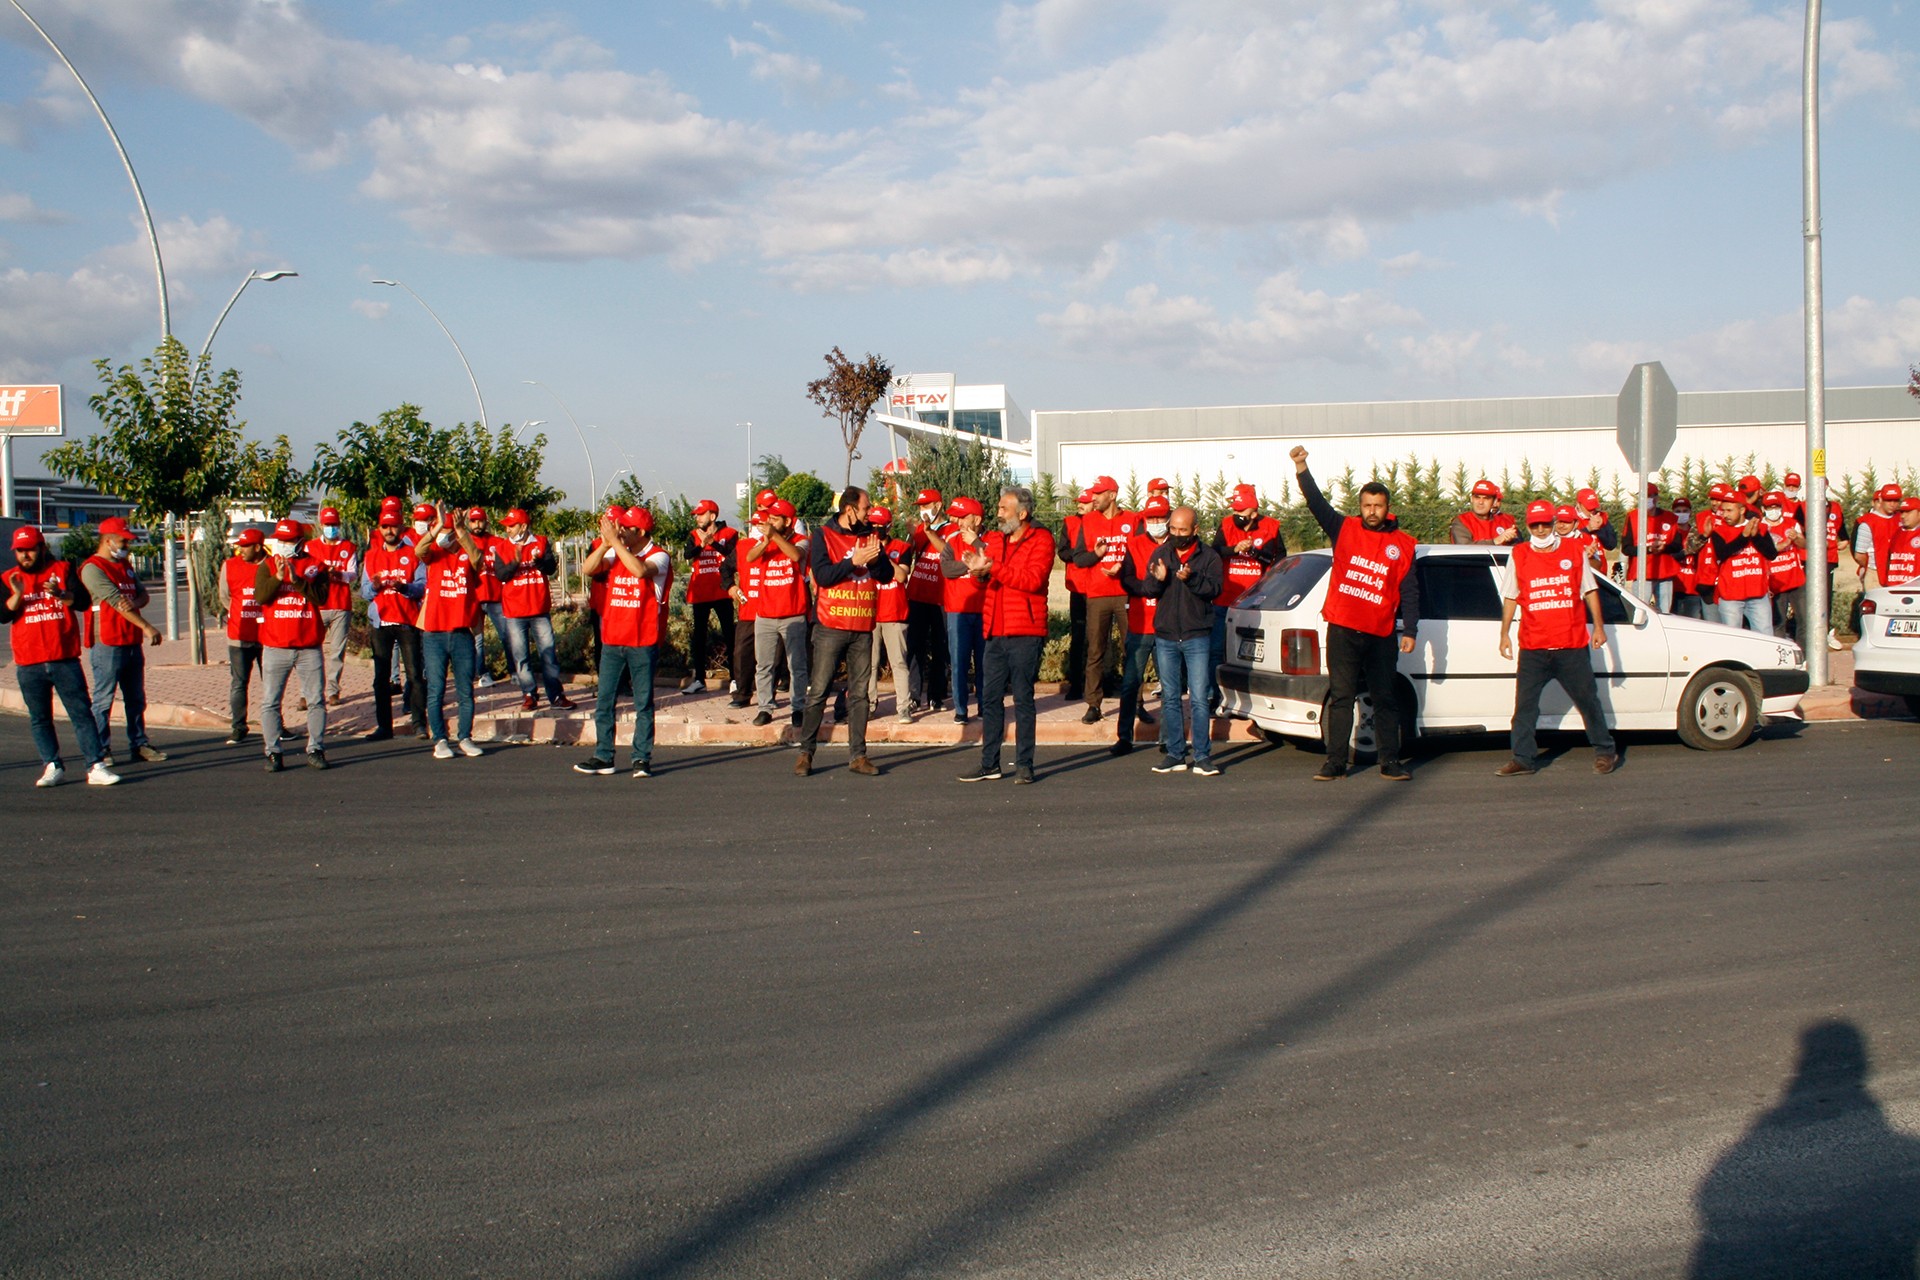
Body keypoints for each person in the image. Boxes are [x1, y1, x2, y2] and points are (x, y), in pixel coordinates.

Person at [1290, 445, 1420, 782]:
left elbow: (1409, 590)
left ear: (1387, 507)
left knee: (1385, 698)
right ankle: (1335, 762)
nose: (1372, 511)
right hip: (1344, 630)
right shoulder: (1344, 529)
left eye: (1378, 506)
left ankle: (1389, 761)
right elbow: (1317, 503)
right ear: (1360, 507)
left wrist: (1411, 630)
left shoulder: (1404, 545)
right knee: (1341, 697)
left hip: (1381, 633)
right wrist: (1302, 467)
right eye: (1367, 505)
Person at [1494, 500, 1616, 777]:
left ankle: (1605, 750)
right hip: (1534, 646)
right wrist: (1504, 634)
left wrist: (1598, 627)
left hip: (1570, 644)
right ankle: (1523, 758)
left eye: (1545, 524)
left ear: (1553, 524)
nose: (1539, 529)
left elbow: (1590, 590)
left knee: (1588, 702)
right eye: (1534, 525)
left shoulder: (1574, 550)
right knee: (1524, 707)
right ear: (1528, 526)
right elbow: (1511, 595)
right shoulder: (1520, 553)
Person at [2, 526, 118, 787]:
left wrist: (61, 594)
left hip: (63, 658)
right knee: (40, 718)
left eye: (30, 549)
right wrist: (18, 594)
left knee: (81, 714)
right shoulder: (9, 578)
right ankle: (52, 764)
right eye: (20, 551)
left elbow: (84, 602)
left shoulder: (63, 570)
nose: (25, 555)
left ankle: (95, 765)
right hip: (28, 662)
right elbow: (3, 615)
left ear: (42, 548)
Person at [957, 485, 1056, 785]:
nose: (997, 513)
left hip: (1025, 631)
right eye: (998, 508)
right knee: (989, 700)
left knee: (1023, 700)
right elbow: (986, 583)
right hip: (994, 630)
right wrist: (978, 572)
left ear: (1022, 513)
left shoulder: (1042, 540)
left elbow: (1032, 580)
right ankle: (990, 764)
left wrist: (992, 567)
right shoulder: (995, 541)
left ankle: (1025, 764)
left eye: (1003, 508)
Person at [575, 505, 671, 778]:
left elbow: (640, 571)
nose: (620, 531)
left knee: (643, 703)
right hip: (613, 641)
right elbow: (588, 569)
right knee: (604, 701)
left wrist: (615, 543)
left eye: (626, 528)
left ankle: (641, 758)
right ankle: (603, 756)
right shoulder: (615, 551)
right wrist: (606, 543)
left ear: (641, 532)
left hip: (642, 641)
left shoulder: (659, 556)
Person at [794, 487, 884, 778]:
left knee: (860, 696)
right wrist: (853, 562)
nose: (869, 513)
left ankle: (858, 756)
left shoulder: (871, 535)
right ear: (849, 510)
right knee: (818, 691)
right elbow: (823, 576)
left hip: (862, 627)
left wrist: (874, 561)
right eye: (865, 508)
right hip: (830, 625)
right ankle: (805, 754)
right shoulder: (822, 535)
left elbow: (884, 574)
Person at [1141, 505, 1227, 776]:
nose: (1177, 535)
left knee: (1200, 698)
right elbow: (1148, 588)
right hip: (1166, 635)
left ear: (1195, 530)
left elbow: (1215, 589)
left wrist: (1192, 580)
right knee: (1170, 698)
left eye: (1183, 530)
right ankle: (1176, 753)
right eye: (1173, 529)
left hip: (1196, 635)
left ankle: (1202, 756)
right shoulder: (1161, 553)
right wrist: (1161, 581)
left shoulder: (1209, 557)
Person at [80, 515, 164, 764]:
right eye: (123, 541)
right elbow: (118, 603)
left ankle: (138, 743)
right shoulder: (92, 568)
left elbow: (142, 595)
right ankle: (101, 749)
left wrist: (136, 603)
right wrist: (148, 628)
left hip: (130, 640)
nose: (126, 546)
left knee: (136, 697)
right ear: (107, 541)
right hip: (107, 642)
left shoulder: (125, 565)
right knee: (104, 698)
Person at [255, 518, 332, 771]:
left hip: (308, 646)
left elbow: (321, 597)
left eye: (289, 541)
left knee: (315, 701)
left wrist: (296, 579)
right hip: (276, 646)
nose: (283, 544)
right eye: (280, 540)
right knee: (270, 701)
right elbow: (261, 597)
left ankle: (316, 748)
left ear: (300, 542)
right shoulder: (266, 565)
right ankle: (273, 752)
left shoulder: (315, 565)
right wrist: (278, 577)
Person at [416, 504, 488, 759]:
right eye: (443, 531)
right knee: (436, 689)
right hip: (434, 633)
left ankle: (465, 737)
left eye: (450, 532)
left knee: (465, 690)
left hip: (461, 633)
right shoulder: (434, 553)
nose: (446, 536)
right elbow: (419, 549)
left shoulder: (466, 554)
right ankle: (440, 740)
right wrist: (436, 527)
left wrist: (461, 531)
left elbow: (478, 559)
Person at [1067, 475, 1134, 724]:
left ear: (1112, 495)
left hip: (1126, 592)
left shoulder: (1131, 520)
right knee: (1095, 650)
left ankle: (1135, 702)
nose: (1093, 498)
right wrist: (1096, 554)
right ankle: (1093, 704)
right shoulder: (1088, 521)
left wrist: (1122, 565)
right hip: (1097, 594)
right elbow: (1078, 558)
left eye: (1099, 493)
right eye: (1093, 494)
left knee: (1132, 650)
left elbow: (1141, 554)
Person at [494, 507, 575, 712]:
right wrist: (516, 559)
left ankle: (556, 695)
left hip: (539, 609)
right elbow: (501, 575)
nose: (508, 530)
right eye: (507, 526)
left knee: (548, 654)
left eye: (512, 526)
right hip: (514, 611)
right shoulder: (502, 547)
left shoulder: (541, 541)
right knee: (521, 657)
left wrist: (539, 561)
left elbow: (551, 568)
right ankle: (529, 694)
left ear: (523, 526)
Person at [1211, 482, 1287, 692]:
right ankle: (1213, 694)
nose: (1237, 514)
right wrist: (1234, 549)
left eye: (1241, 511)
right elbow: (1214, 552)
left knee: (1253, 655)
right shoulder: (1226, 525)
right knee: (1217, 650)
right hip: (1225, 600)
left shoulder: (1271, 527)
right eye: (1234, 510)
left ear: (1254, 512)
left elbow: (1278, 561)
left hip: (1256, 601)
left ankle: (1251, 693)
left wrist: (1254, 552)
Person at [360, 507, 428, 740]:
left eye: (393, 526)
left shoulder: (413, 553)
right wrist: (376, 587)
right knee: (381, 678)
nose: (389, 530)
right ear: (380, 529)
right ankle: (384, 726)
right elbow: (364, 592)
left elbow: (422, 586)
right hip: (381, 623)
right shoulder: (371, 556)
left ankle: (419, 723)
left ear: (401, 527)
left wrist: (405, 588)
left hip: (406, 621)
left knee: (414, 675)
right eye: (385, 526)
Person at [1112, 496, 1170, 756]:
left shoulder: (1176, 547)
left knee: (1170, 686)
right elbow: (1126, 579)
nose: (1156, 523)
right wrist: (1148, 588)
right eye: (1151, 518)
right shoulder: (1134, 545)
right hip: (1140, 624)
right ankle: (1124, 737)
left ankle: (1167, 738)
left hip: (1168, 626)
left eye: (1160, 518)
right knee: (1131, 683)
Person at [749, 498, 810, 728]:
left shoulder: (801, 541)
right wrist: (767, 540)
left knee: (797, 665)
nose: (770, 522)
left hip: (793, 615)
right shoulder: (766, 540)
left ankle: (798, 708)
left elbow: (796, 556)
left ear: (788, 521)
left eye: (775, 518)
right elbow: (750, 558)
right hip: (764, 615)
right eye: (769, 518)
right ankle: (765, 708)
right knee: (763, 665)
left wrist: (774, 536)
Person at [1691, 488, 1779, 631]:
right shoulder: (1719, 531)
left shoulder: (1760, 527)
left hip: (1757, 594)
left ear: (1742, 510)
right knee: (1733, 638)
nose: (1725, 515)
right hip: (1730, 596)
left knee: (1765, 635)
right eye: (1723, 511)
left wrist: (1755, 536)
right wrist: (1744, 537)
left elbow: (1771, 554)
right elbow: (1722, 553)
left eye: (1729, 510)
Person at [933, 496, 988, 722]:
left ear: (976, 518)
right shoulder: (952, 541)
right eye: (957, 517)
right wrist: (969, 564)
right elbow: (946, 569)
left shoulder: (989, 540)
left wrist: (977, 546)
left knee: (985, 662)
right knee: (959, 661)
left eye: (963, 517)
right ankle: (961, 709)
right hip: (958, 610)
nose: (959, 522)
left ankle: (985, 706)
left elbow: (992, 560)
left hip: (985, 609)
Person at [903, 488, 951, 713]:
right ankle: (914, 695)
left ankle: (937, 694)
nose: (923, 511)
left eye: (926, 505)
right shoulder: (918, 531)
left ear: (938, 506)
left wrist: (929, 532)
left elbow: (948, 553)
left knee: (941, 646)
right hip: (918, 594)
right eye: (920, 507)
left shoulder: (951, 529)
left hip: (941, 597)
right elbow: (908, 554)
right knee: (915, 646)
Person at [305, 506, 358, 706]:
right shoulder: (311, 547)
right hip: (318, 605)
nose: (331, 528)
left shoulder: (348, 548)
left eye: (334, 525)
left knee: (337, 651)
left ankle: (333, 690)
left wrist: (340, 575)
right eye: (328, 525)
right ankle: (307, 692)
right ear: (321, 525)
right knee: (310, 650)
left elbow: (353, 574)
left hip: (340, 604)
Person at [866, 505, 914, 724]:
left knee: (898, 663)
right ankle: (869, 705)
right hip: (870, 612)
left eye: (880, 525)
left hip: (895, 612)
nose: (876, 529)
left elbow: (902, 576)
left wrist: (883, 556)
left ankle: (904, 707)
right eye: (872, 525)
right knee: (870, 663)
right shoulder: (864, 547)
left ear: (888, 526)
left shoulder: (902, 547)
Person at [683, 499, 737, 694]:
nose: (697, 518)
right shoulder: (692, 535)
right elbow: (687, 554)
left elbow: (733, 555)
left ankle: (735, 678)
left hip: (722, 591)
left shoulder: (729, 533)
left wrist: (714, 544)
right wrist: (701, 545)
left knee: (729, 634)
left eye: (701, 514)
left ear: (712, 516)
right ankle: (699, 679)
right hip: (700, 593)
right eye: (696, 515)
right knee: (699, 637)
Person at [222, 527, 267, 745]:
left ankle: (276, 725)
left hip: (268, 636)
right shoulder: (229, 566)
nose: (241, 550)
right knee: (239, 683)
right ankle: (239, 726)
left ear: (258, 547)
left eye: (245, 546)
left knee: (271, 684)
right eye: (239, 546)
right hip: (239, 636)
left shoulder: (271, 564)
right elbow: (224, 597)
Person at [729, 499, 767, 708]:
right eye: (753, 524)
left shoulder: (779, 545)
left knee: (771, 658)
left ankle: (767, 697)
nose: (754, 528)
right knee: (742, 654)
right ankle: (742, 695)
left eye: (758, 524)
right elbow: (725, 569)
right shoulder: (742, 547)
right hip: (748, 611)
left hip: (773, 610)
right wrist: (731, 587)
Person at [465, 507, 508, 689]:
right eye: (473, 521)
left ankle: (514, 672)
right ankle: (482, 674)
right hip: (474, 597)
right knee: (478, 639)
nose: (477, 524)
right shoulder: (465, 543)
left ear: (486, 522)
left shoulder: (497, 542)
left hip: (495, 596)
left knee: (506, 635)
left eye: (480, 521)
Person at [1621, 484, 1681, 613]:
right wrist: (1648, 549)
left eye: (1648, 496)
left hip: (1664, 572)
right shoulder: (1633, 517)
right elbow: (1626, 548)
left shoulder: (1670, 518)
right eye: (1643, 497)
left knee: (1665, 612)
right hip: (1643, 573)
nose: (1645, 500)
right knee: (1641, 611)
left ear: (1656, 498)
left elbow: (1677, 545)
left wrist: (1664, 547)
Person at [1058, 489, 1093, 701]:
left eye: (1084, 502)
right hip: (1077, 587)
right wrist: (1082, 556)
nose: (1079, 505)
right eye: (1078, 501)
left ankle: (1101, 683)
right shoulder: (1070, 522)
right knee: (1078, 638)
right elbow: (1062, 551)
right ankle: (1075, 685)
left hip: (1098, 588)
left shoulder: (1099, 523)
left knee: (1099, 640)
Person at [1759, 490, 1807, 638]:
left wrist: (1796, 537)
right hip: (1774, 581)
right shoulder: (1760, 527)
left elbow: (1804, 544)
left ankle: (1805, 656)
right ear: (1763, 509)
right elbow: (1766, 550)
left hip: (1795, 578)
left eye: (1776, 507)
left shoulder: (1791, 523)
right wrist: (1785, 542)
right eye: (1769, 508)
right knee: (1778, 622)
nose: (1773, 511)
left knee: (1804, 620)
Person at [1450, 479, 1519, 545]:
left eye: (1486, 498)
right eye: (1477, 497)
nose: (1480, 502)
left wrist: (1510, 540)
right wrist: (1495, 541)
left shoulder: (1505, 522)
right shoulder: (1461, 521)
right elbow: (1465, 547)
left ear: (1494, 501)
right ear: (1471, 499)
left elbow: (1518, 549)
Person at [1881, 497, 1920, 586]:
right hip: (1894, 588)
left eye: (1908, 512)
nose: (1903, 516)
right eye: (1902, 512)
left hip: (1915, 591)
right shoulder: (1897, 533)